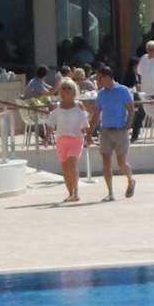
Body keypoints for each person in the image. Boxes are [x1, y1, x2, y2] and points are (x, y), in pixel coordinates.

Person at [90, 63, 135, 201]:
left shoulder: (123, 90)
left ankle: (130, 179)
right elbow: (96, 114)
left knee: (121, 163)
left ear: (107, 77)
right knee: (106, 161)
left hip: (120, 130)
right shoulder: (101, 94)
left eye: (100, 78)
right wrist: (90, 132)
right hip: (106, 130)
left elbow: (131, 109)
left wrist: (128, 124)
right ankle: (110, 193)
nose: (98, 81)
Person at [48, 77, 90, 204]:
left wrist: (88, 136)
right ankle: (70, 193)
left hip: (76, 139)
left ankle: (76, 192)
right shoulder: (57, 106)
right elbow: (51, 123)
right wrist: (47, 137)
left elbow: (85, 122)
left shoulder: (79, 105)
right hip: (61, 140)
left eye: (69, 88)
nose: (66, 90)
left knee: (72, 164)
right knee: (65, 168)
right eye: (63, 88)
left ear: (74, 90)